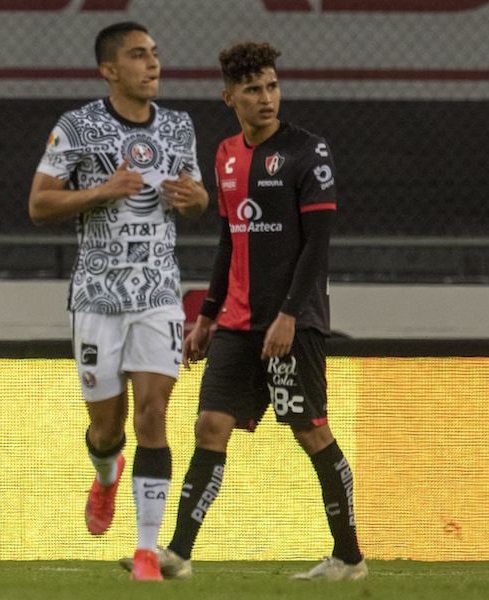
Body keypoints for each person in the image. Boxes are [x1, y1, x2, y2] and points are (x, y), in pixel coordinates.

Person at [121, 41, 367, 581]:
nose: (266, 98)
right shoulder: (226, 154)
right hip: (236, 323)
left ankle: (349, 557)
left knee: (311, 432)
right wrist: (207, 316)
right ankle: (178, 554)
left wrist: (288, 315)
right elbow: (229, 240)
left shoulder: (308, 151)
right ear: (229, 96)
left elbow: (317, 245)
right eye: (253, 89)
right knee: (209, 425)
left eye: (272, 86)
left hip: (293, 322)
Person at [29, 21, 209, 580]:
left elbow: (198, 199)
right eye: (137, 55)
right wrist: (102, 191)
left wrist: (195, 198)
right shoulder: (77, 126)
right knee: (108, 429)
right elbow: (39, 204)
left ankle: (147, 551)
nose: (152, 63)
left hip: (158, 293)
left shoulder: (178, 126)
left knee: (154, 413)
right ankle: (106, 476)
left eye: (154, 53)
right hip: (97, 297)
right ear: (109, 70)